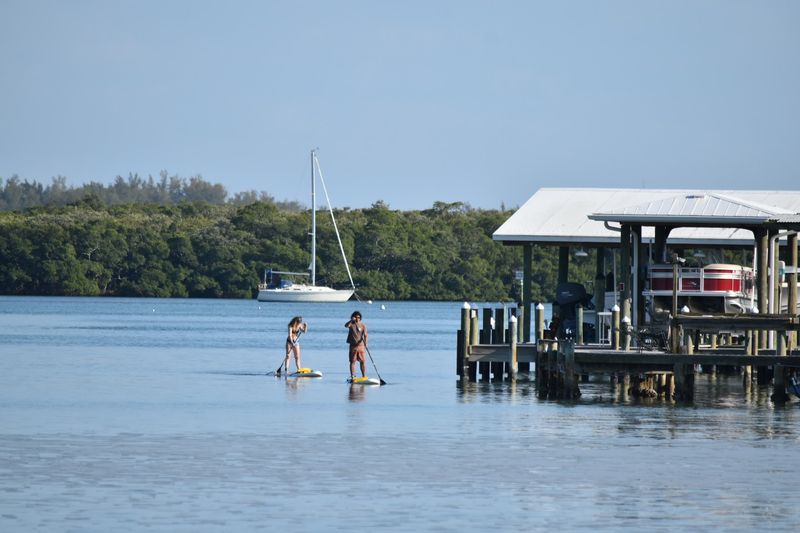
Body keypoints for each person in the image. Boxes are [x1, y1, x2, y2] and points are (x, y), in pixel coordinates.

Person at [345, 311, 368, 380]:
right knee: (352, 361)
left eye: (358, 317)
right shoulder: (351, 324)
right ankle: (353, 376)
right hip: (353, 346)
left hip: (361, 346)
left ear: (360, 318)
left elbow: (366, 335)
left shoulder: (363, 325)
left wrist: (366, 343)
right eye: (356, 317)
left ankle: (364, 376)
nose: (357, 318)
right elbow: (346, 326)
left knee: (363, 361)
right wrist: (351, 320)